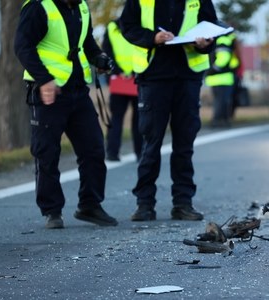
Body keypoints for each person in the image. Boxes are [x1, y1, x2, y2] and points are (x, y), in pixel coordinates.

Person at [14, 0, 118, 229]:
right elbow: (23, 47)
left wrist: (99, 58)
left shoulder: (80, 6)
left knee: (94, 148)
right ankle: (52, 211)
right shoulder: (38, 7)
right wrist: (44, 79)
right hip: (47, 92)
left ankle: (89, 205)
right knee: (46, 153)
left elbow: (86, 41)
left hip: (78, 91)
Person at [120, 0, 217, 221]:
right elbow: (128, 26)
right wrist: (152, 38)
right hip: (154, 76)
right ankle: (145, 203)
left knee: (184, 143)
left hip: (188, 77)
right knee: (151, 143)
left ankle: (183, 203)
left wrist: (206, 43)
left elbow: (211, 26)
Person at [102, 19, 143, 162]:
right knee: (138, 118)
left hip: (118, 79)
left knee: (116, 118)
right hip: (137, 77)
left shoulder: (112, 27)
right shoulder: (139, 24)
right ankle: (140, 153)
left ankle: (112, 153)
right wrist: (132, 71)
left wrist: (117, 71)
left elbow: (106, 51)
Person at [205, 31, 239, 128]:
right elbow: (226, 59)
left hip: (218, 78)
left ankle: (218, 121)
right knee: (222, 101)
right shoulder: (226, 40)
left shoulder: (221, 40)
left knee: (220, 101)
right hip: (223, 78)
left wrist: (211, 70)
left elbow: (224, 59)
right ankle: (221, 121)